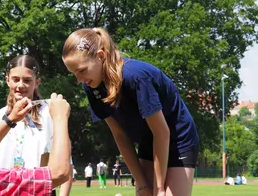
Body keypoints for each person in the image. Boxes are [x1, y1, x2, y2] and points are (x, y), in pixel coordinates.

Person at [62, 27, 199, 196]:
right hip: (148, 142)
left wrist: (160, 188)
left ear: (100, 56)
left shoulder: (135, 77)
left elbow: (162, 132)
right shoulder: (91, 86)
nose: (79, 79)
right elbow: (120, 136)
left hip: (178, 139)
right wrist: (141, 184)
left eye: (82, 70)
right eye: (73, 73)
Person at [0, 55, 73, 196]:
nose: (20, 85)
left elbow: (66, 162)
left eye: (27, 80)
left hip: (40, 191)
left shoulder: (51, 113)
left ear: (37, 82)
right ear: (7, 80)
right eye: (16, 79)